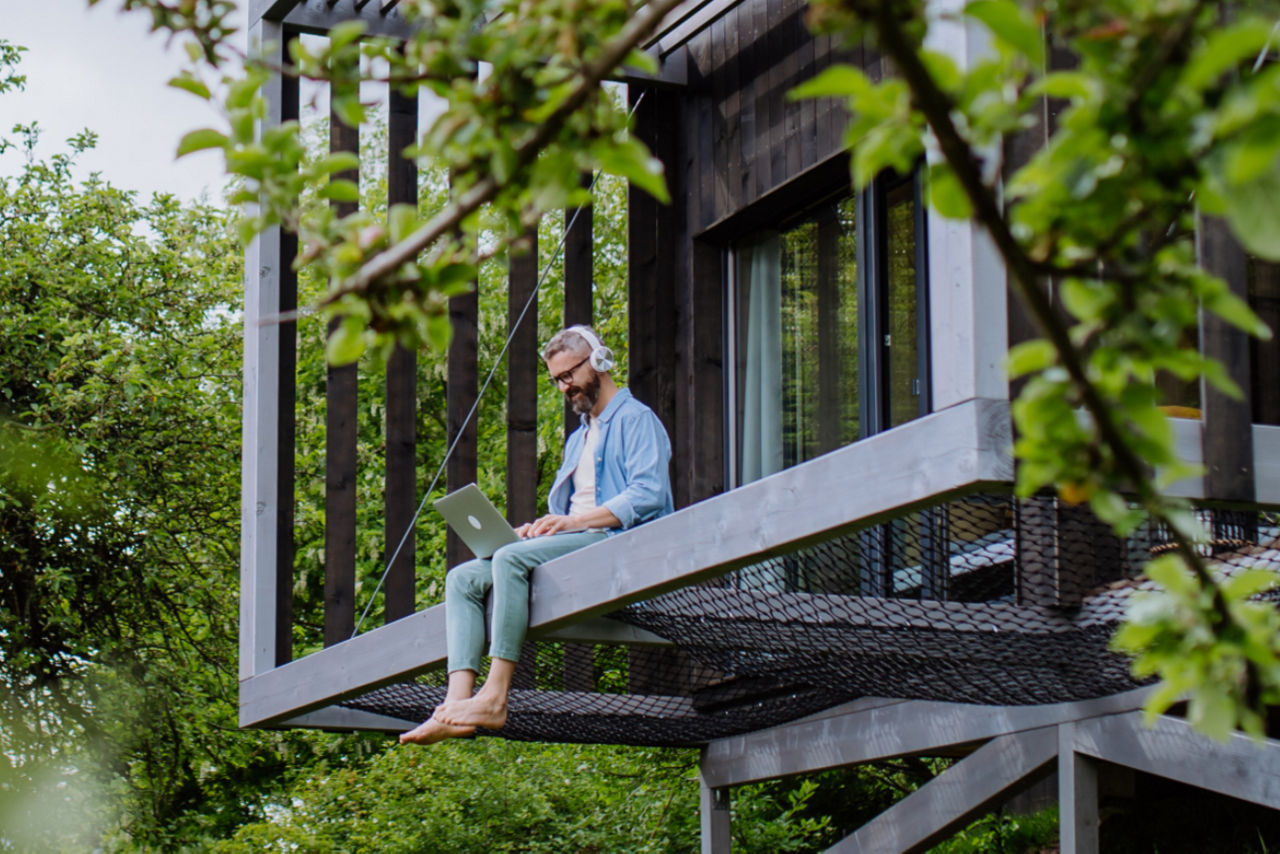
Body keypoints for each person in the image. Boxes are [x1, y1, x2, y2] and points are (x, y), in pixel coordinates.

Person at [400, 325, 673, 745]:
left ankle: (494, 696)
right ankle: (455, 705)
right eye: (557, 380)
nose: (565, 387)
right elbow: (571, 512)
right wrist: (542, 527)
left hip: (618, 547)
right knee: (463, 579)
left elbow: (649, 493)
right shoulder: (578, 439)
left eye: (569, 374)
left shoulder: (637, 420)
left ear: (599, 362)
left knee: (509, 560)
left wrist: (572, 524)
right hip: (578, 542)